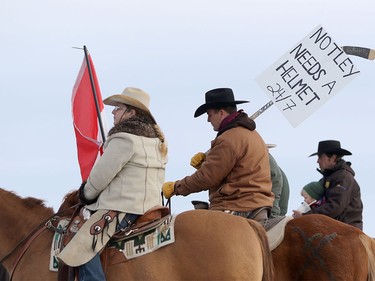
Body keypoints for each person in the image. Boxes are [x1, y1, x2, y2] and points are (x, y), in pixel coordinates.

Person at [57, 87, 168, 281]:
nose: (113, 112)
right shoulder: (157, 140)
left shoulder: (123, 138)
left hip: (124, 208)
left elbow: (99, 179)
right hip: (152, 207)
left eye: (118, 108)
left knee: (81, 247)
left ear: (131, 112)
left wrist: (85, 195)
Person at [162, 87, 274, 225]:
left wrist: (176, 187)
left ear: (221, 113)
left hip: (235, 207)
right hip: (256, 206)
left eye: (209, 114)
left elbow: (207, 178)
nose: (208, 120)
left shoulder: (228, 139)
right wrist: (207, 162)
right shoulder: (252, 135)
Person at [292, 140, 363, 230]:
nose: (317, 161)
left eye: (320, 157)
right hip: (336, 229)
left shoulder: (343, 177)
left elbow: (335, 207)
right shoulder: (331, 176)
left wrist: (305, 216)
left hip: (347, 231)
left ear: (332, 158)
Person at [267, 144, 290, 218]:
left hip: (272, 212)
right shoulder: (276, 167)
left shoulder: (267, 161)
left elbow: (276, 185)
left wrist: (273, 213)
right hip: (279, 210)